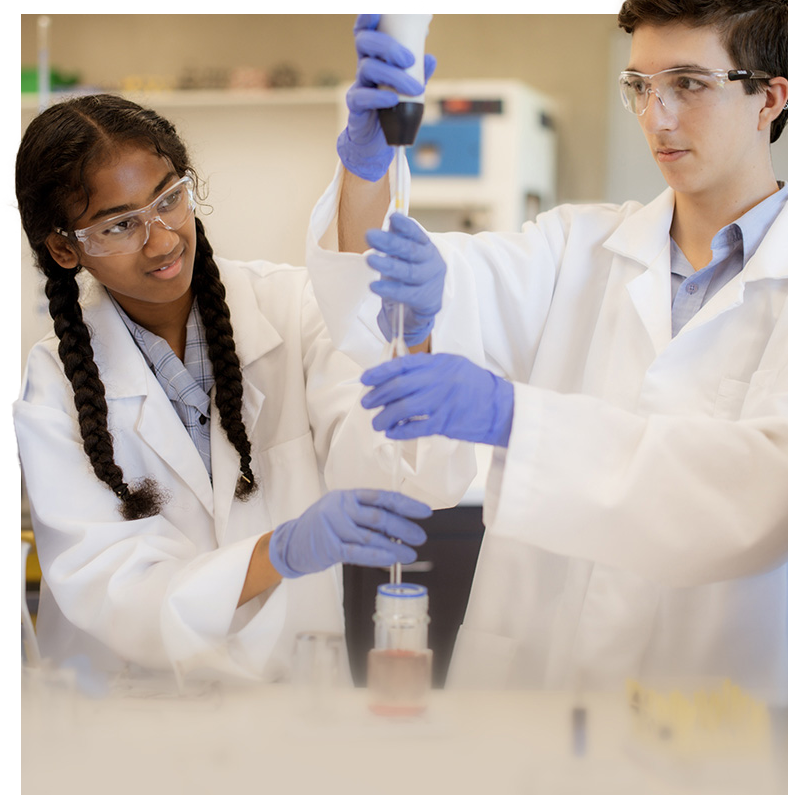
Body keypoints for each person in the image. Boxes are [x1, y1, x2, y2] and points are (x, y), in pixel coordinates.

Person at [306, 0, 788, 705]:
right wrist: (369, 165)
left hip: (700, 715)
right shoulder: (575, 249)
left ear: (770, 97)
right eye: (640, 86)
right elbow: (380, 298)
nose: (657, 116)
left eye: (688, 85)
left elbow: (769, 489)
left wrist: (516, 417)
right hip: (527, 701)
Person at [10, 94, 471, 683]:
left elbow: (411, 474)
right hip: (125, 728)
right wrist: (278, 551)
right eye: (121, 224)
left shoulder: (291, 309)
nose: (162, 240)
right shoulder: (55, 388)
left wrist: (417, 333)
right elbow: (117, 593)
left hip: (290, 710)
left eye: (169, 198)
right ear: (64, 248)